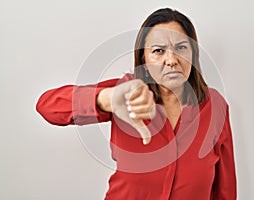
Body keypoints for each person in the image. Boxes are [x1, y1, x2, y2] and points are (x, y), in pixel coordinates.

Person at [36, 8, 237, 200]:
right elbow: (47, 106)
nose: (171, 60)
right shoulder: (127, 92)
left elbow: (225, 190)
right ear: (144, 59)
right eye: (158, 51)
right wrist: (106, 99)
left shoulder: (216, 105)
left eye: (181, 48)